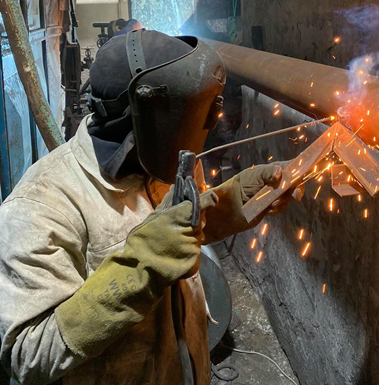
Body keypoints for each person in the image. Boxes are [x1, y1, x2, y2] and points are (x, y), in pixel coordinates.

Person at [0, 30, 301, 385]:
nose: (208, 124)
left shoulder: (166, 161)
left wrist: (233, 200)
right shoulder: (42, 204)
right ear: (153, 115)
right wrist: (143, 265)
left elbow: (181, 232)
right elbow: (27, 353)